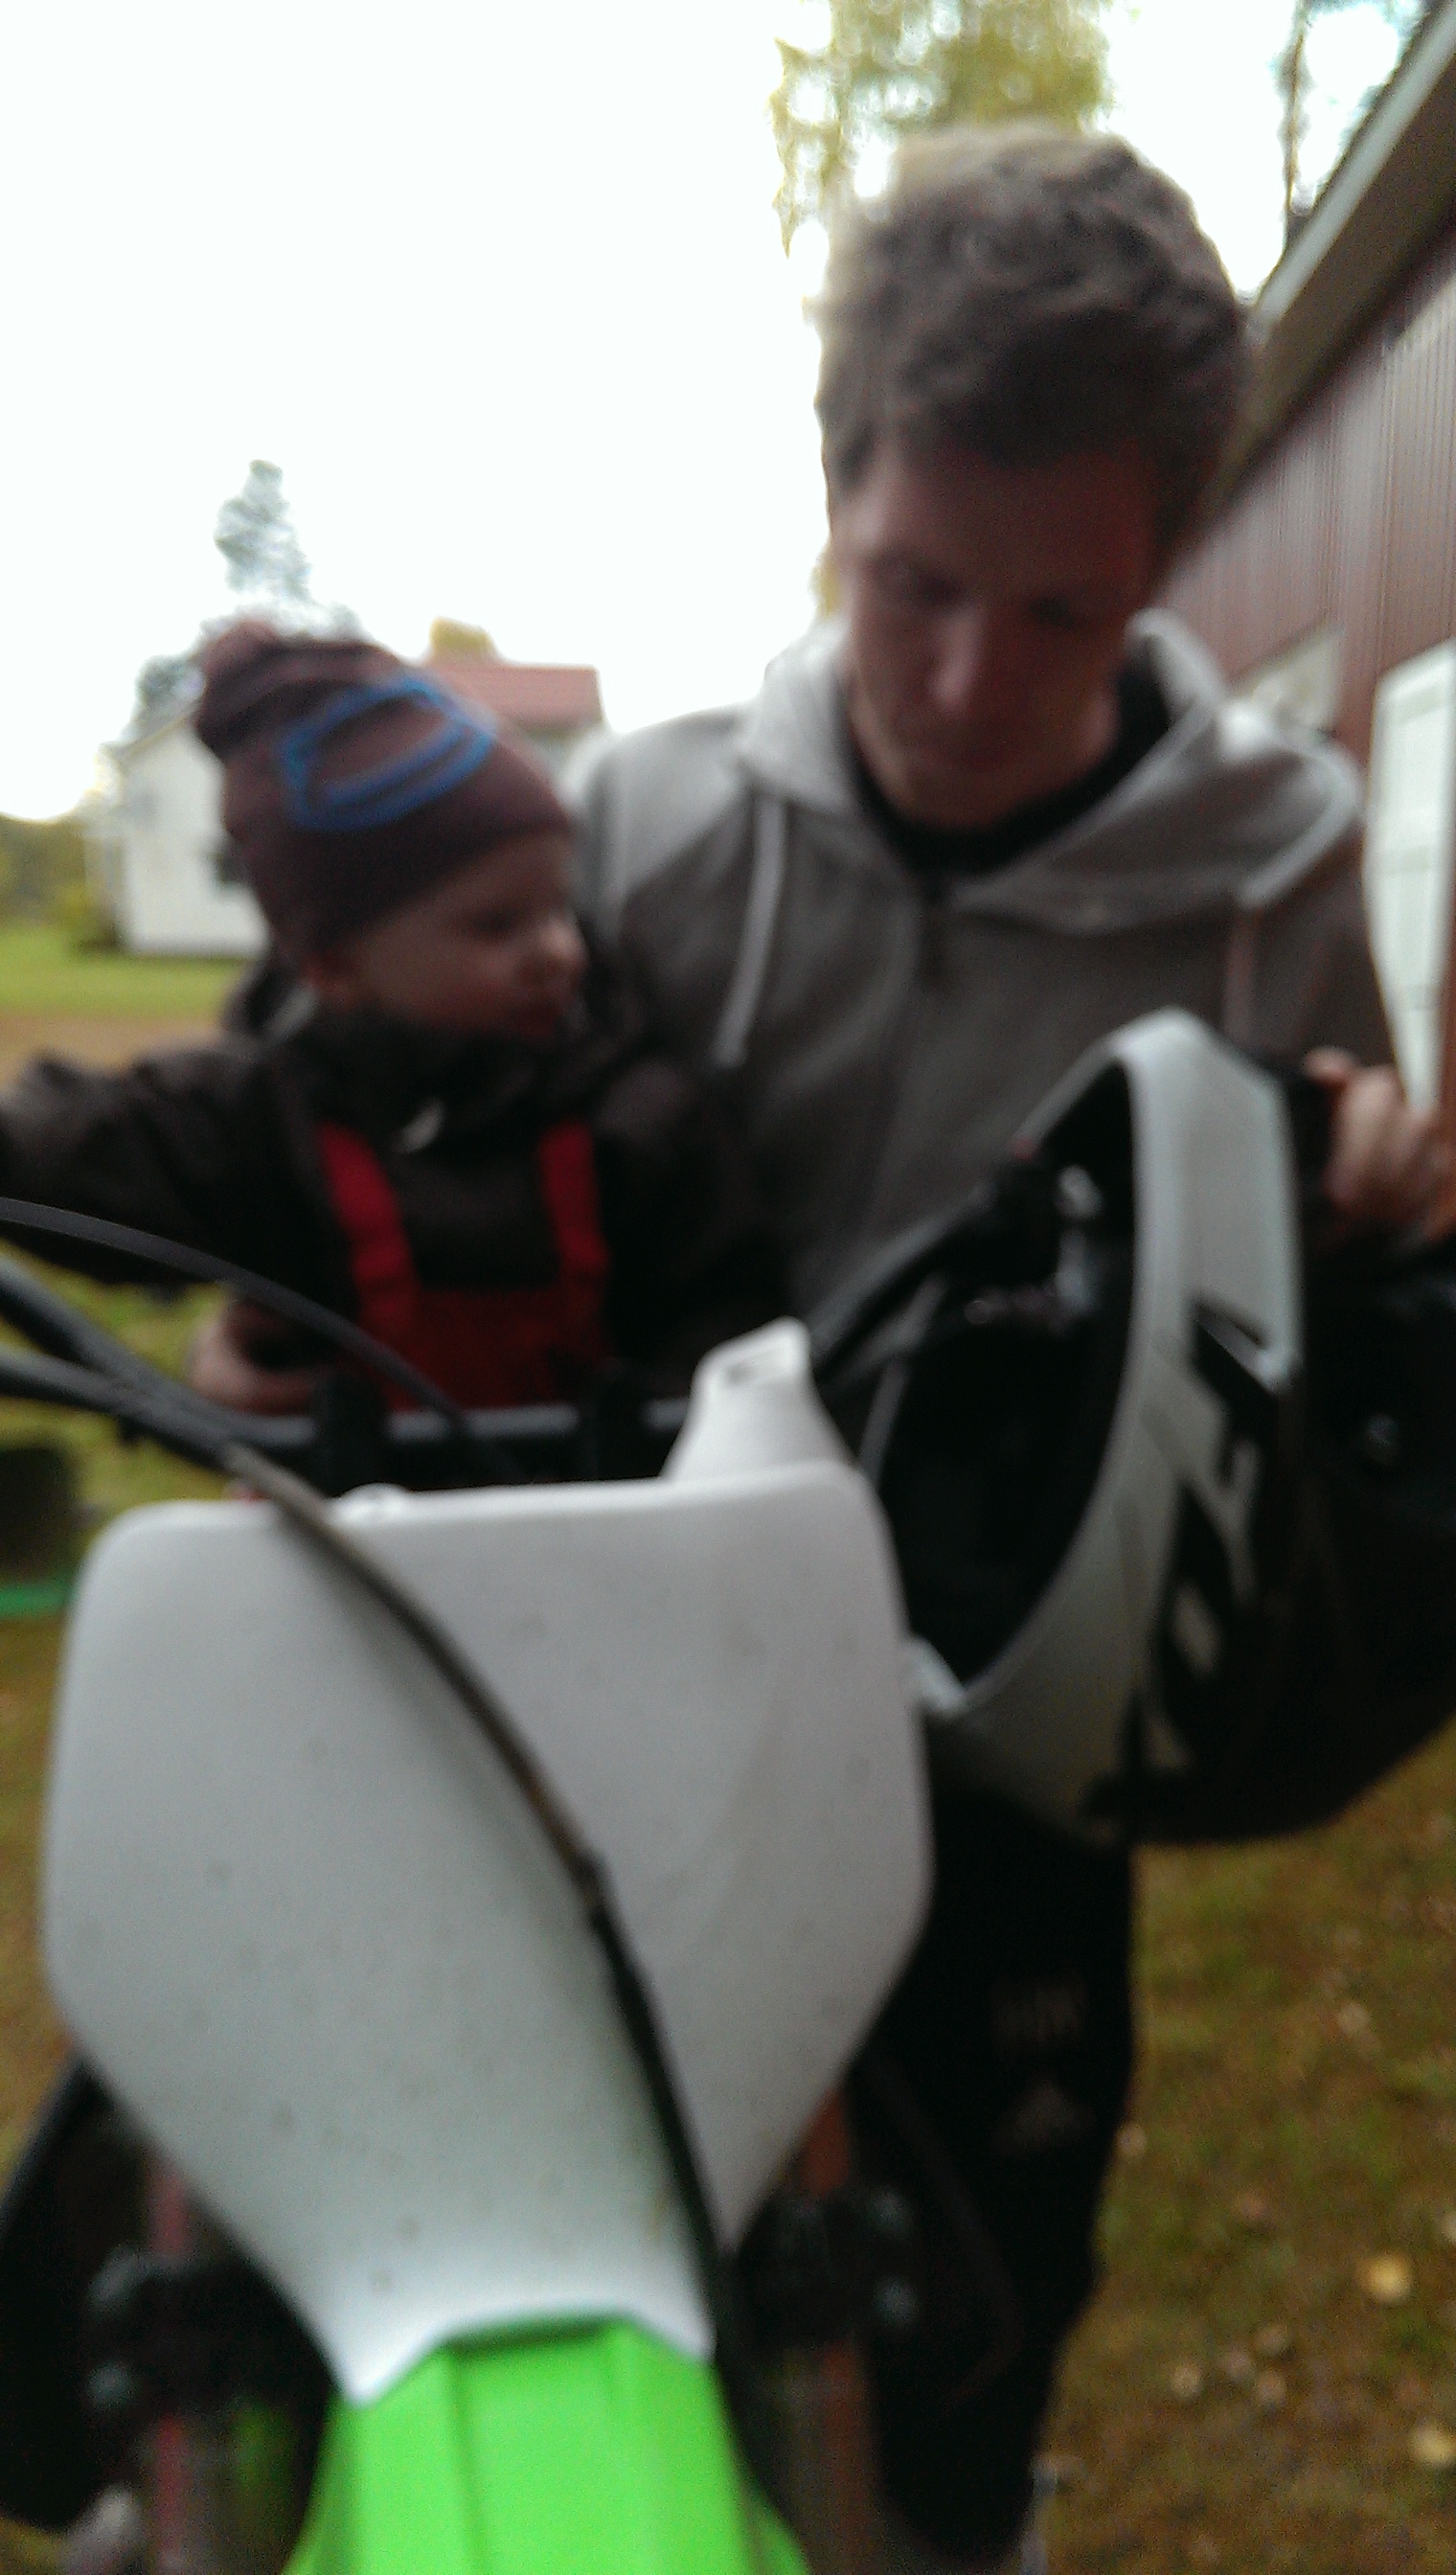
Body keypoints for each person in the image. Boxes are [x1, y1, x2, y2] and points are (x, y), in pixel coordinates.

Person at [567, 126, 1446, 2573]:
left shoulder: (1271, 868)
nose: (966, 684)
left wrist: (1371, 1190)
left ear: (1160, 568)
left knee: (957, 2347)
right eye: (911, 587)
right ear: (832, 494)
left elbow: (1319, 1314)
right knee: (613, 2269)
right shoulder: (642, 836)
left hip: (1017, 1756)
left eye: (1061, 614)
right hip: (620, 1707)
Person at [0, 624, 780, 1406]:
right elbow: (77, 1152)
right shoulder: (267, 1123)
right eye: (497, 926)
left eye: (559, 908)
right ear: (336, 970)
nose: (557, 952)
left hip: (623, 1484)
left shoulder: (638, 1112)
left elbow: (727, 1308)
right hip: (353, 1486)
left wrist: (671, 1410)